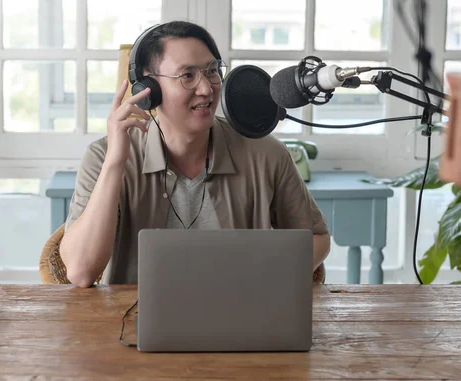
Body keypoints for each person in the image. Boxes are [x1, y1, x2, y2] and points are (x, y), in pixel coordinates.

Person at [60, 21, 331, 288]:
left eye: (212, 71)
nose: (206, 88)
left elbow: (317, 238)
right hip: (131, 326)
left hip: (243, 323)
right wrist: (115, 163)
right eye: (187, 76)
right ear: (148, 90)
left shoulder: (265, 152)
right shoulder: (103, 156)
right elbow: (81, 272)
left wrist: (264, 276)